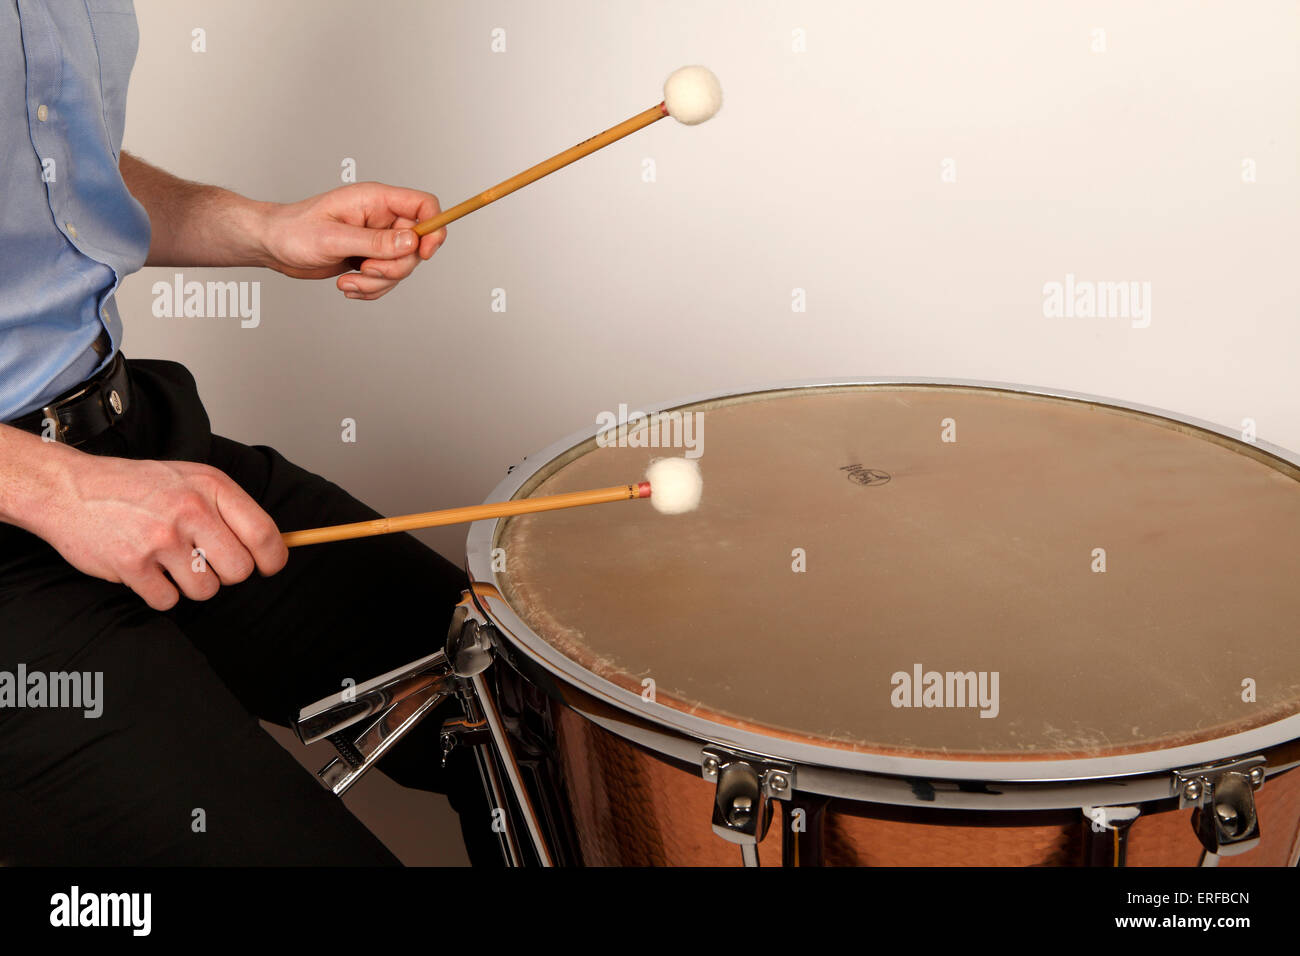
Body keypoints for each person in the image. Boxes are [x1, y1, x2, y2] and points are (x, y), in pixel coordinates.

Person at [0, 0, 492, 864]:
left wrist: (261, 229)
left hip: (130, 445)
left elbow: (52, 173)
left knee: (519, 717)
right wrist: (60, 489)